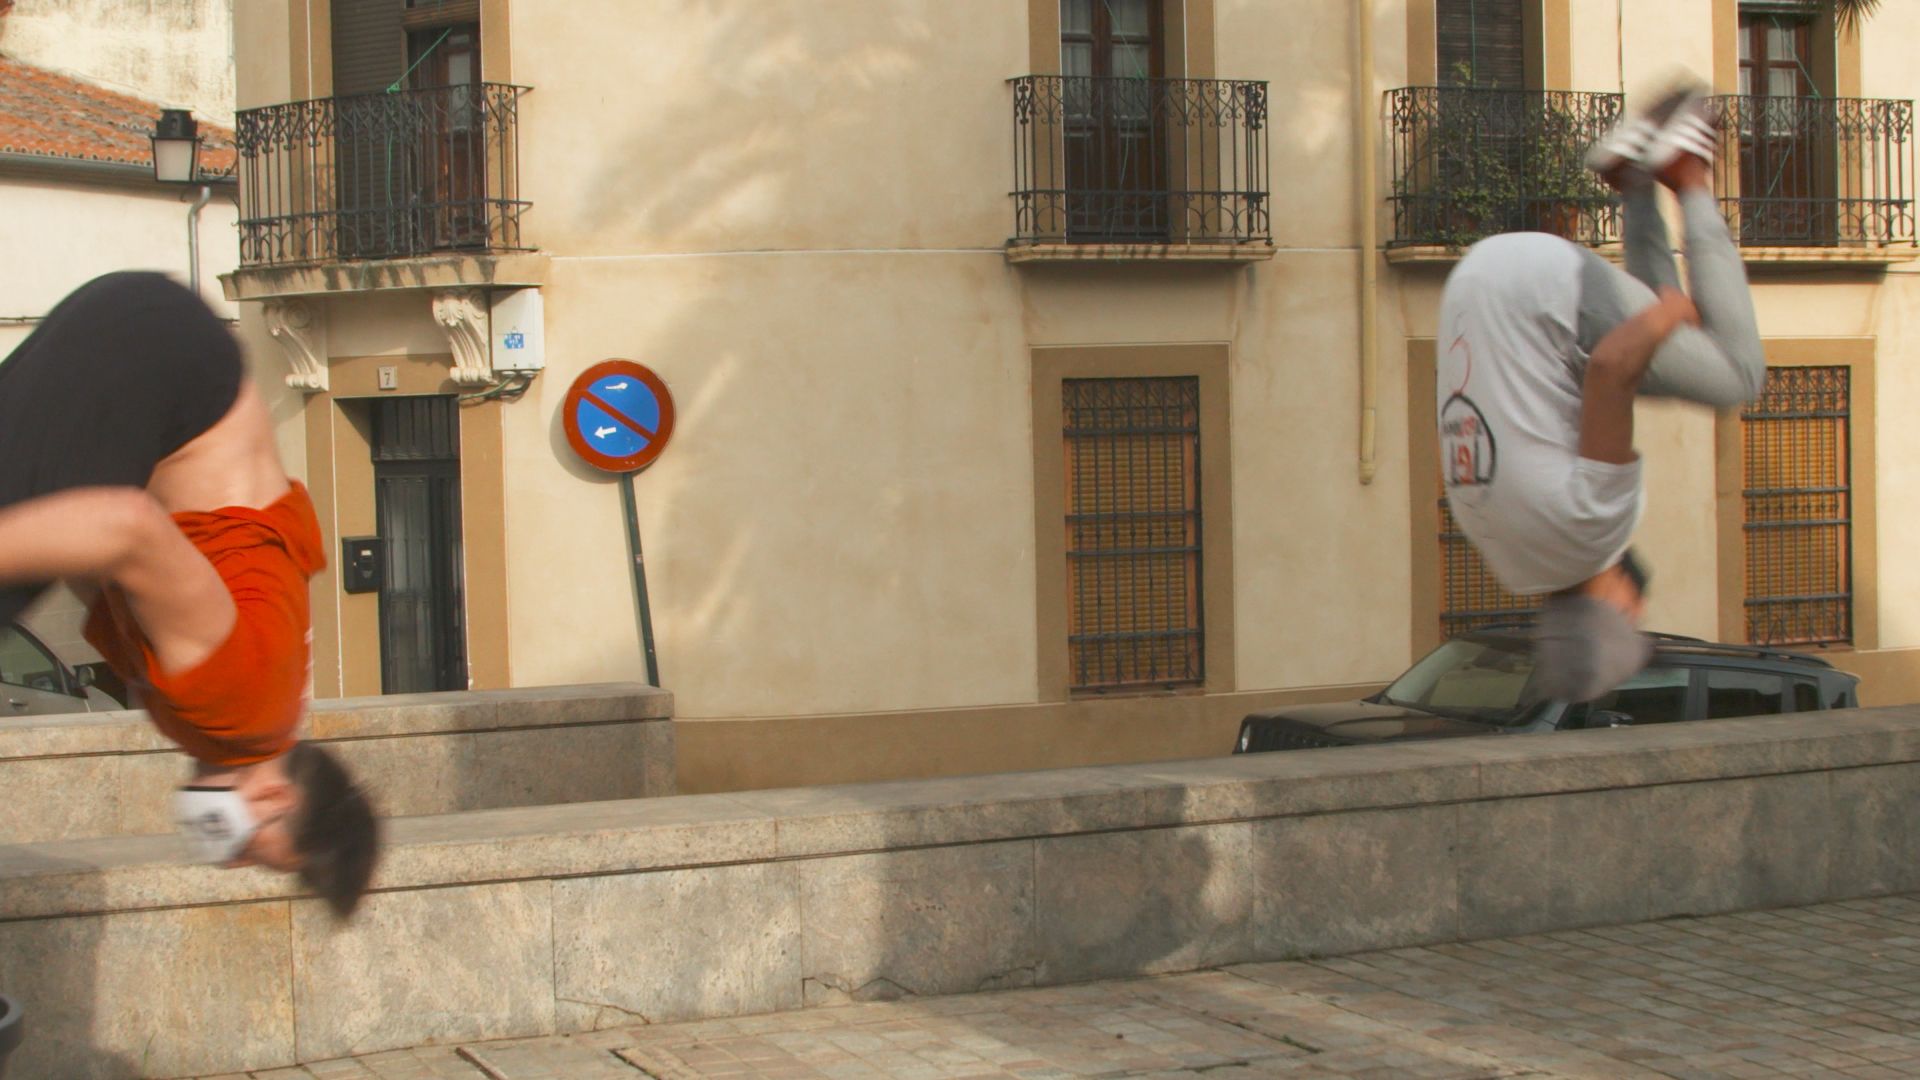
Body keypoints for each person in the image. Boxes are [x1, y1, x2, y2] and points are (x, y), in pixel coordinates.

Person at [0, 271, 378, 917]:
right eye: (257, 851)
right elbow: (128, 528)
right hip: (159, 368)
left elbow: (96, 565)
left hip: (169, 344)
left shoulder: (268, 704)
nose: (230, 858)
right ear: (273, 803)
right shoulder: (239, 713)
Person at [1438, 87, 1764, 702]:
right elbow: (1616, 373)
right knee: (1661, 352)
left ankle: (1686, 173)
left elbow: (1611, 367)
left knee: (1736, 374)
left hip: (1541, 291)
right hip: (1476, 286)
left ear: (1618, 608)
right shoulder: (1508, 559)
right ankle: (1634, 176)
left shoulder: (1592, 530)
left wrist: (1671, 311)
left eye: (1633, 616)